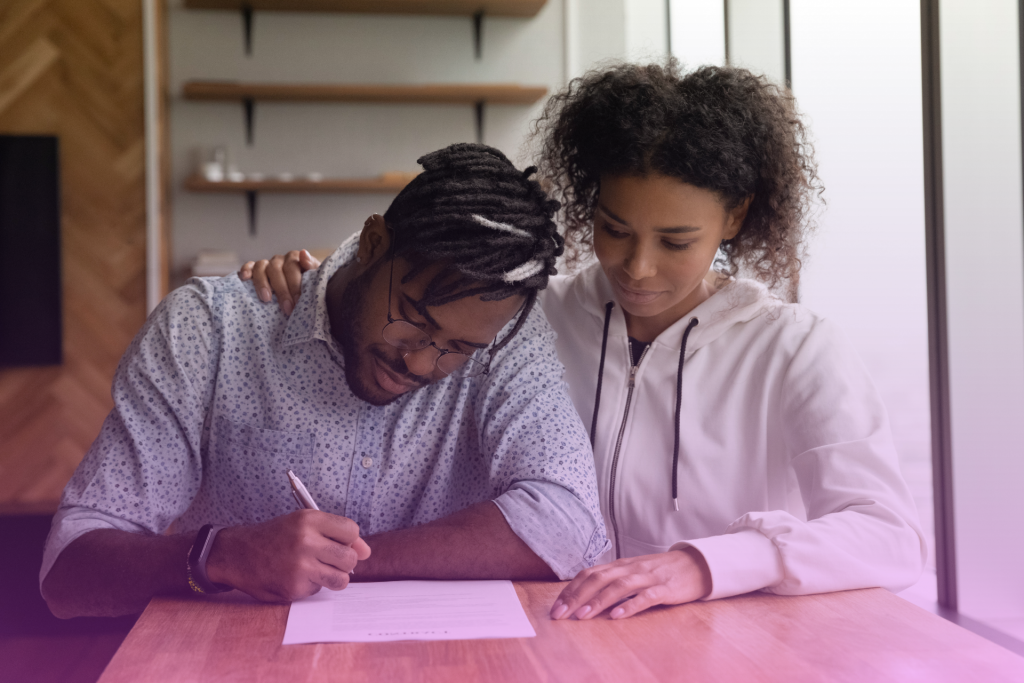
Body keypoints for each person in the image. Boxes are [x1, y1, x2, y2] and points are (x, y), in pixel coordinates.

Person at [243, 62, 927, 622]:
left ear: (736, 216)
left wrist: (705, 562)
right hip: (548, 633)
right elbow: (415, 284)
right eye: (615, 228)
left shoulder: (794, 349)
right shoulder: (532, 317)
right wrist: (317, 274)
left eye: (676, 241)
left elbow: (890, 538)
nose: (638, 267)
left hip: (725, 639)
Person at [41, 143, 610, 618]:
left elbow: (567, 523)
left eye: (458, 348)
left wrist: (349, 563)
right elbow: (67, 571)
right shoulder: (209, 329)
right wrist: (220, 556)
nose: (420, 363)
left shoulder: (506, 339)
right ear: (372, 243)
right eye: (413, 315)